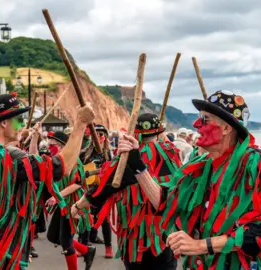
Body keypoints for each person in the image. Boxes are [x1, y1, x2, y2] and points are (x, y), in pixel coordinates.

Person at [85, 90, 261, 269]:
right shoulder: (202, 166)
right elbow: (164, 201)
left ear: (226, 128)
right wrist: (138, 164)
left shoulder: (255, 164)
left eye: (204, 119)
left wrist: (199, 246)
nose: (196, 124)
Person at [0, 93, 95, 269]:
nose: (21, 125)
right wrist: (80, 124)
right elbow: (61, 168)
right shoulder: (9, 156)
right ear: (4, 122)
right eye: (19, 120)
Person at [72, 113, 181, 269]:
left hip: (134, 239)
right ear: (159, 132)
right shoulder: (171, 155)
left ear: (135, 133)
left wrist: (76, 207)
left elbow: (102, 189)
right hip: (165, 237)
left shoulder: (126, 159)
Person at [45, 131, 96, 270]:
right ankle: (87, 251)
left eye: (52, 145)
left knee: (66, 241)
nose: (49, 148)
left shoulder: (72, 160)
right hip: (62, 204)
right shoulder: (57, 160)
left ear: (62, 145)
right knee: (52, 236)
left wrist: (57, 197)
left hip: (73, 205)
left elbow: (77, 184)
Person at [80, 124, 113, 258]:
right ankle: (82, 245)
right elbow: (80, 169)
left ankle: (108, 247)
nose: (98, 137)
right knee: (85, 216)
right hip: (88, 189)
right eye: (96, 134)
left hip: (102, 190)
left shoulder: (109, 154)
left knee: (104, 219)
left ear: (105, 137)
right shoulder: (84, 153)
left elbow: (112, 172)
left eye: (101, 135)